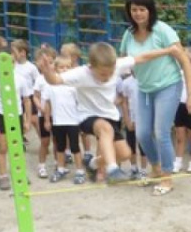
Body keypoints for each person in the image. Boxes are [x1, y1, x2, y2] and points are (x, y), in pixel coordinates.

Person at [43, 42, 162, 185]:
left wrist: (168, 51)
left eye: (111, 73)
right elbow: (55, 80)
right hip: (87, 116)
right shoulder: (80, 73)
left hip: (110, 116)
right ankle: (112, 169)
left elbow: (141, 58)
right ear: (91, 66)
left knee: (125, 153)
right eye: (103, 74)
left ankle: (93, 164)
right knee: (105, 129)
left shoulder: (116, 64)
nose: (107, 77)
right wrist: (47, 72)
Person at [119, 0, 191, 196]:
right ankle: (156, 169)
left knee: (161, 132)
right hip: (144, 88)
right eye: (134, 9)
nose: (138, 13)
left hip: (168, 86)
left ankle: (167, 178)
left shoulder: (164, 31)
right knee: (143, 134)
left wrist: (190, 93)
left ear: (150, 10)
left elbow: (185, 62)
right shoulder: (128, 34)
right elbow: (125, 60)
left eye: (142, 9)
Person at [0, 55, 31, 191]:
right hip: (1, 116)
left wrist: (27, 120)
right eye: (3, 62)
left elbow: (26, 100)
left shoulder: (21, 80)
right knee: (3, 147)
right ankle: (3, 176)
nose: (8, 65)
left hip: (16, 116)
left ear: (14, 63)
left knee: (17, 147)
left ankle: (20, 173)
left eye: (11, 61)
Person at [42, 56, 85, 184]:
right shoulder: (50, 86)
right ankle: (61, 169)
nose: (65, 69)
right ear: (55, 68)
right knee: (59, 147)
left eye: (67, 67)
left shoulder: (74, 86)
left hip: (72, 121)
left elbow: (80, 104)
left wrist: (81, 121)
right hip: (58, 121)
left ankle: (79, 171)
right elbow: (47, 104)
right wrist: (47, 120)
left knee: (75, 147)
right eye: (61, 67)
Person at [32, 45, 57, 178]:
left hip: (58, 115)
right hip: (44, 115)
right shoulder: (39, 79)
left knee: (58, 141)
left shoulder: (58, 77)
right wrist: (39, 106)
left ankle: (58, 163)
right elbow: (35, 96)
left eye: (51, 62)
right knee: (45, 142)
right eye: (43, 62)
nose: (47, 65)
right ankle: (41, 165)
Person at [120, 70, 147, 180]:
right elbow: (125, 102)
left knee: (143, 146)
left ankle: (144, 170)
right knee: (131, 144)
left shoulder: (146, 80)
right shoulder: (126, 82)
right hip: (131, 118)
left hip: (143, 118)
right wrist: (127, 118)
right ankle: (134, 167)